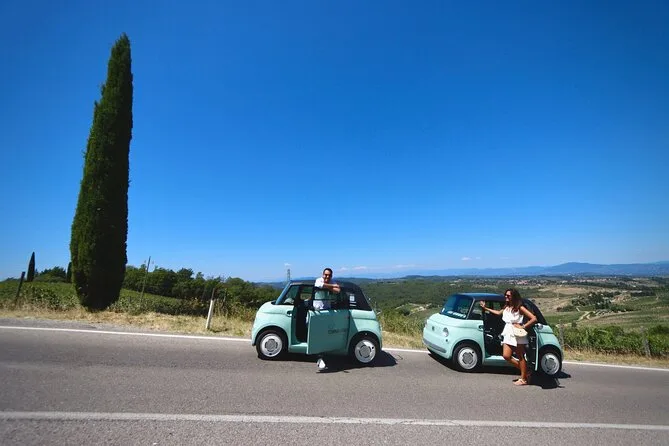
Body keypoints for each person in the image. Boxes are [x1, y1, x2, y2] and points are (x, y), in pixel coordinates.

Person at [480, 288, 538, 385]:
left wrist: (523, 326)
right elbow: (498, 313)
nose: (506, 297)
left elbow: (534, 319)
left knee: (520, 356)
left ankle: (523, 379)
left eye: (508, 295)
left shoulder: (520, 308)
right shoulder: (507, 307)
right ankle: (526, 371)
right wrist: (485, 308)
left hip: (517, 333)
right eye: (505, 295)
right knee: (506, 356)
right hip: (508, 332)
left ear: (513, 296)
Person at [313, 267, 341, 370]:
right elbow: (319, 285)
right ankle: (318, 355)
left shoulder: (332, 282)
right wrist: (332, 286)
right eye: (326, 275)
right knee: (316, 334)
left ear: (331, 276)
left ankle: (320, 355)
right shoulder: (318, 280)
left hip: (327, 311)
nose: (327, 276)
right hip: (317, 311)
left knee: (324, 334)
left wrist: (328, 286)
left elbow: (338, 290)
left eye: (329, 275)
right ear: (323, 274)